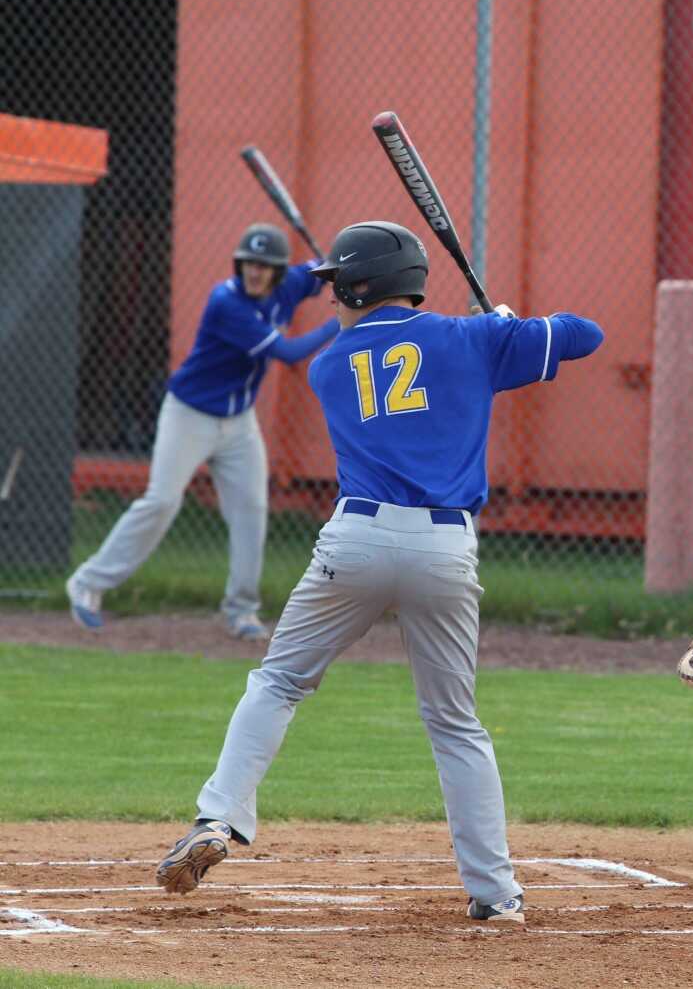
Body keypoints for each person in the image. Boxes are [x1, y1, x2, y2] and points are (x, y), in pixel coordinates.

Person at [152, 220, 604, 925]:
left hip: (355, 541)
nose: (331, 296)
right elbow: (586, 334)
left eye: (338, 284)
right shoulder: (472, 339)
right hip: (444, 550)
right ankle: (496, 893)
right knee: (454, 722)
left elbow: (408, 362)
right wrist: (509, 327)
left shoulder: (331, 366)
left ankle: (219, 816)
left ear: (366, 286)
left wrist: (491, 335)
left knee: (279, 681)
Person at [66, 223, 339, 641]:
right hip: (190, 415)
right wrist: (343, 320)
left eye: (265, 266)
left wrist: (336, 273)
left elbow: (316, 273)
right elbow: (287, 352)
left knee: (251, 510)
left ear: (278, 272)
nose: (255, 272)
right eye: (249, 263)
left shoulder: (288, 284)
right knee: (161, 501)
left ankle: (242, 610)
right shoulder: (227, 302)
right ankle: (87, 583)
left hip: (239, 422)